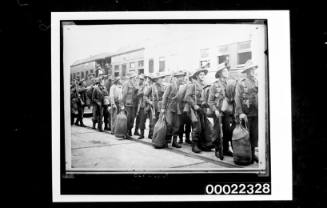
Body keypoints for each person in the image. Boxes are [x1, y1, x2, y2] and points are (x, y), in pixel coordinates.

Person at [235, 60, 259, 163]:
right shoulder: (242, 82)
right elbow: (237, 98)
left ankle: (253, 154)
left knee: (254, 134)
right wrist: (240, 112)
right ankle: (246, 155)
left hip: (256, 112)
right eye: (251, 69)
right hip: (246, 113)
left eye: (254, 69)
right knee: (246, 135)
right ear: (247, 71)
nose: (253, 71)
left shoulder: (257, 81)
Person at [208, 63, 233, 159]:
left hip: (226, 111)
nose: (227, 72)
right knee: (217, 131)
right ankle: (218, 150)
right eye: (224, 71)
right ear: (220, 73)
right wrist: (215, 110)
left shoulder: (229, 84)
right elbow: (210, 101)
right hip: (218, 112)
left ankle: (226, 149)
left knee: (227, 131)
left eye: (227, 70)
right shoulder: (215, 85)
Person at [184, 68, 212, 153]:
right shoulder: (193, 85)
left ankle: (202, 144)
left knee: (204, 127)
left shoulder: (204, 85)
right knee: (197, 127)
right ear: (197, 76)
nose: (202, 76)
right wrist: (195, 105)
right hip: (194, 109)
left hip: (202, 109)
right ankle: (194, 145)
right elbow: (187, 97)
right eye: (201, 74)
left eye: (203, 74)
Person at [161, 71, 186, 148]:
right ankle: (166, 141)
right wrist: (163, 108)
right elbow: (164, 97)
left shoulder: (181, 86)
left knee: (177, 125)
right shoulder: (171, 86)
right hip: (170, 107)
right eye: (180, 77)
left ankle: (174, 141)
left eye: (182, 76)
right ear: (176, 77)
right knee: (169, 124)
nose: (182, 78)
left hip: (177, 108)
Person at [122, 71, 139, 138]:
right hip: (128, 104)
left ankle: (129, 130)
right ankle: (125, 132)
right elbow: (124, 94)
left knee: (132, 118)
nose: (135, 78)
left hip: (133, 104)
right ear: (131, 77)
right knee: (128, 119)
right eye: (134, 77)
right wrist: (122, 104)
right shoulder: (126, 83)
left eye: (135, 77)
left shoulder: (134, 84)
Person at [177, 72, 192, 144]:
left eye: (187, 79)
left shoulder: (190, 86)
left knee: (188, 124)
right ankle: (180, 139)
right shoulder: (181, 87)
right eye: (185, 78)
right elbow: (179, 98)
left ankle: (187, 138)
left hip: (188, 109)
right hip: (182, 108)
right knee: (181, 124)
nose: (186, 80)